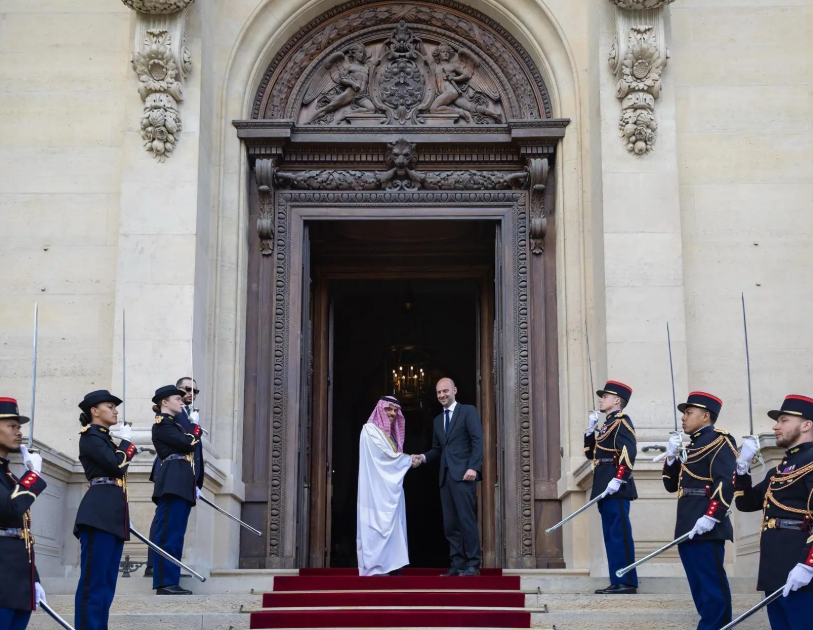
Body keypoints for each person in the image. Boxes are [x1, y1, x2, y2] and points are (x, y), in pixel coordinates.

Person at [734, 394, 813, 630]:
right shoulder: (778, 470)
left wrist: (808, 564)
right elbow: (746, 503)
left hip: (802, 568)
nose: (775, 427)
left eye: (784, 420)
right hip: (776, 568)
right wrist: (742, 467)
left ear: (807, 425)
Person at [662, 392, 737, 629]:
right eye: (684, 413)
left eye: (688, 413)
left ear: (705, 416)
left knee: (711, 586)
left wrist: (712, 516)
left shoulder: (720, 440)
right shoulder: (692, 445)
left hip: (706, 524)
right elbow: (671, 485)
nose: (683, 418)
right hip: (687, 524)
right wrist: (671, 457)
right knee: (698, 587)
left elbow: (726, 481)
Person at [73, 390, 138, 630]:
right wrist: (127, 445)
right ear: (94, 411)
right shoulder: (90, 436)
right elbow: (117, 466)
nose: (115, 411)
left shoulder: (105, 439)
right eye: (110, 406)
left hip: (112, 515)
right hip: (98, 515)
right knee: (94, 583)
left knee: (107, 585)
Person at [413, 378, 483, 576]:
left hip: (465, 475)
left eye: (445, 391)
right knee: (450, 524)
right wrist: (422, 457)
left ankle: (472, 564)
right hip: (445, 478)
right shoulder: (437, 421)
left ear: (454, 390)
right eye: (438, 392)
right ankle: (458, 564)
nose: (442, 395)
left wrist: (473, 467)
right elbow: (437, 449)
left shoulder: (467, 411)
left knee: (466, 520)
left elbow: (477, 440)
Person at [145, 377, 204, 578]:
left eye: (194, 391)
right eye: (179, 396)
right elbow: (189, 443)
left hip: (183, 478)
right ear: (165, 402)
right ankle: (164, 577)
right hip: (172, 478)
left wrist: (195, 481)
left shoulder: (177, 420)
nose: (186, 397)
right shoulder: (164, 423)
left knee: (176, 531)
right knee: (168, 530)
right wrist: (195, 427)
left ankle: (171, 576)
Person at [585, 380, 638, 594]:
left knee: (619, 534)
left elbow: (628, 452)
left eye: (605, 396)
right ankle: (617, 579)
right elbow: (591, 454)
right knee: (611, 534)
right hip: (604, 486)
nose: (601, 399)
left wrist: (618, 479)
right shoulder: (608, 424)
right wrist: (590, 430)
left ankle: (626, 581)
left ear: (617, 400)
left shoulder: (622, 422)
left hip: (615, 486)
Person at [0, 397, 46, 630]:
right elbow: (10, 509)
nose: (19, 432)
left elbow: (23, 532)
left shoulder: (9, 476)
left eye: (19, 427)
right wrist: (33, 475)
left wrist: (33, 579)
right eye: (11, 426)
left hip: (18, 581)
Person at [356, 396, 412, 576]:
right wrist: (410, 460)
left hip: (391, 490)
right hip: (374, 492)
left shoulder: (391, 436)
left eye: (396, 410)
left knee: (395, 527)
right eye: (389, 409)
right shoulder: (369, 430)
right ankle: (376, 568)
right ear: (380, 409)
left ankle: (393, 566)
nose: (393, 413)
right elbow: (384, 458)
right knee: (375, 528)